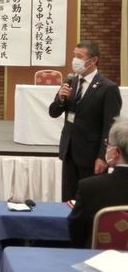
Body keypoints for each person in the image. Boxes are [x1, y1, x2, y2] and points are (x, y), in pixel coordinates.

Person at [49, 40, 122, 201]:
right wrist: (61, 99)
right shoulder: (71, 81)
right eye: (74, 56)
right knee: (68, 199)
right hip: (69, 151)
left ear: (93, 60)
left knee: (89, 201)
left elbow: (110, 126)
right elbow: (53, 112)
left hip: (91, 155)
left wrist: (103, 156)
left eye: (79, 57)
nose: (75, 60)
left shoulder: (108, 88)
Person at [68, 116, 128, 248]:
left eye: (107, 144)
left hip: (99, 257)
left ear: (115, 153)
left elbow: (76, 231)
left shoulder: (89, 188)